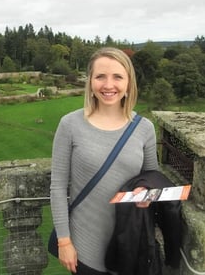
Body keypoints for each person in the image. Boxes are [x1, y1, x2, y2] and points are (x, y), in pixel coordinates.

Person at [50, 47, 159, 274]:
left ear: (129, 83)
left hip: (128, 242)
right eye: (100, 76)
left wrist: (146, 193)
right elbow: (58, 187)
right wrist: (64, 242)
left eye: (118, 77)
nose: (108, 85)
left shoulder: (144, 129)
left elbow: (152, 178)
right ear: (90, 82)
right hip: (84, 246)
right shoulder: (70, 125)